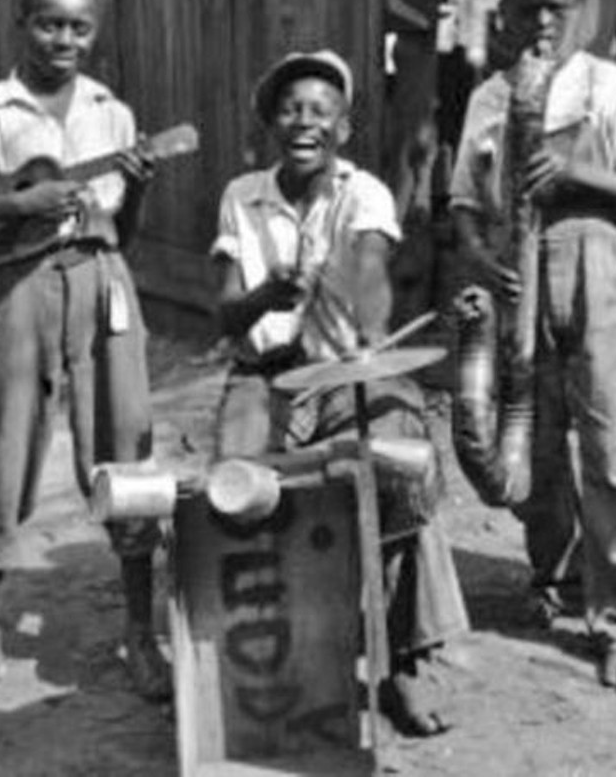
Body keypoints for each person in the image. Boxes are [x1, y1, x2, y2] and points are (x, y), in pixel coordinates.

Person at [0, 0, 171, 716]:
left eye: (79, 27)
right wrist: (20, 208)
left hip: (101, 282)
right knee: (0, 450)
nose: (64, 39)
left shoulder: (112, 112)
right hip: (16, 288)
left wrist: (142, 190)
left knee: (128, 450)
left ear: (94, 34)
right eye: (50, 23)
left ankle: (139, 635)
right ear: (23, 25)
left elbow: (126, 228)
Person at [211, 49, 469, 736]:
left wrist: (342, 291)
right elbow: (228, 312)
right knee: (235, 486)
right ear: (272, 123)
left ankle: (400, 667)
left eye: (320, 112)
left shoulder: (366, 194)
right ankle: (266, 668)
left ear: (342, 129)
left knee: (402, 467)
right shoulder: (242, 195)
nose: (304, 122)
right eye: (291, 109)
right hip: (261, 375)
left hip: (348, 367)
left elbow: (374, 302)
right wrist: (272, 291)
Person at [449, 0, 616, 687]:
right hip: (517, 274)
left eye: (555, 6)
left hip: (589, 259)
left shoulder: (607, 85)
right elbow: (464, 208)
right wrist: (485, 258)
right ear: (503, 14)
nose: (542, 21)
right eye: (527, 8)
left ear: (572, 6)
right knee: (533, 436)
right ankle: (559, 576)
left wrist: (573, 173)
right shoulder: (486, 99)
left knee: (610, 436)